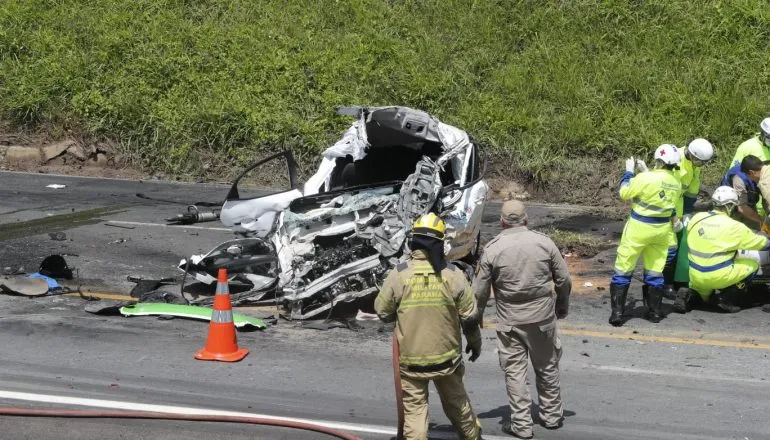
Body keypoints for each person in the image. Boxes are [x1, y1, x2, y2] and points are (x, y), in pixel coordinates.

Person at [375, 213, 482, 440]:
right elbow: (470, 317)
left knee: (415, 414)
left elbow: (382, 312)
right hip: (447, 361)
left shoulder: (399, 274)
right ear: (439, 243)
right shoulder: (453, 275)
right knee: (458, 405)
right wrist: (475, 343)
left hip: (412, 362)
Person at [473, 200, 571, 439]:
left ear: (501, 222)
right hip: (542, 319)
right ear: (526, 219)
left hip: (510, 322)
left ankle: (522, 426)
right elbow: (564, 280)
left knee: (515, 373)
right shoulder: (544, 243)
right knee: (547, 366)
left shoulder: (493, 249)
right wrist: (562, 306)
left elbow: (479, 292)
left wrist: (477, 319)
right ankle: (552, 416)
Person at [609, 144, 683, 326]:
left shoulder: (645, 178)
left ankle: (618, 313)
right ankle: (655, 312)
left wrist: (628, 172)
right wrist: (646, 171)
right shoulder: (676, 182)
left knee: (623, 268)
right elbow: (661, 192)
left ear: (658, 160)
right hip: (661, 231)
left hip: (638, 228)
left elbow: (624, 192)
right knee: (655, 270)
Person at [687, 186, 770, 312]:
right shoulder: (735, 227)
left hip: (695, 276)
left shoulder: (697, 218)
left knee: (702, 294)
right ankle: (725, 298)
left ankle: (694, 296)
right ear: (730, 206)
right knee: (752, 265)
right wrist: (766, 237)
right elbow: (762, 244)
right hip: (719, 276)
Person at [720, 155, 764, 229]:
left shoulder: (762, 170)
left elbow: (766, 197)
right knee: (734, 229)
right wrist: (763, 220)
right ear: (752, 173)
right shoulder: (739, 181)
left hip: (748, 197)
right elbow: (742, 208)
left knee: (756, 228)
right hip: (731, 204)